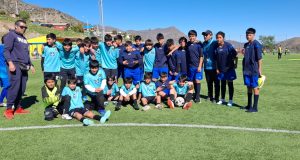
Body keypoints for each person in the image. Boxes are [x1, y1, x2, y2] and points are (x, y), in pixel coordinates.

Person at [3, 20, 36, 119]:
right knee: (15, 87)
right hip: (15, 64)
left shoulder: (24, 38)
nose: (24, 29)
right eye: (22, 27)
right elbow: (6, 50)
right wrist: (10, 63)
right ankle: (9, 109)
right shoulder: (11, 35)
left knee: (22, 88)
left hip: (24, 66)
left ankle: (17, 107)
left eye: (25, 27)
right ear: (16, 26)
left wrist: (31, 65)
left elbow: (26, 54)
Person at [214, 31, 238, 107]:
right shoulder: (216, 47)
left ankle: (230, 100)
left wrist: (235, 64)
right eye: (217, 37)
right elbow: (216, 59)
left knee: (230, 84)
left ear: (223, 38)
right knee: (223, 84)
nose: (218, 39)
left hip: (229, 69)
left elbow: (235, 55)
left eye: (220, 37)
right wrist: (217, 68)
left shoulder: (228, 45)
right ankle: (222, 99)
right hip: (221, 69)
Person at [242, 28, 263, 112]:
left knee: (255, 87)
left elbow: (259, 58)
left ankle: (255, 107)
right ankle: (249, 105)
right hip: (246, 69)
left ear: (254, 35)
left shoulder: (256, 44)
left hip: (254, 70)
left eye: (250, 35)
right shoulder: (246, 45)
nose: (248, 36)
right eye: (247, 35)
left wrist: (259, 69)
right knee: (248, 87)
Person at [202, 30, 219, 103]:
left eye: (206, 35)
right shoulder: (203, 44)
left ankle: (216, 98)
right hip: (206, 67)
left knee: (216, 83)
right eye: (204, 35)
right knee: (209, 83)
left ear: (211, 35)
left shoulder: (215, 42)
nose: (205, 36)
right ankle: (210, 96)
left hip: (215, 67)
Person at [186, 30, 203, 103]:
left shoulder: (199, 45)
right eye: (190, 36)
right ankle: (191, 95)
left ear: (195, 36)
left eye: (193, 36)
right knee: (191, 82)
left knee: (197, 80)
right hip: (190, 66)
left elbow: (201, 56)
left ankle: (197, 96)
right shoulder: (188, 44)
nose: (191, 37)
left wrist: (199, 66)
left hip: (198, 66)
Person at [0, 42, 9, 108]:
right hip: (3, 71)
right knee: (8, 86)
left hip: (2, 70)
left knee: (7, 86)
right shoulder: (6, 48)